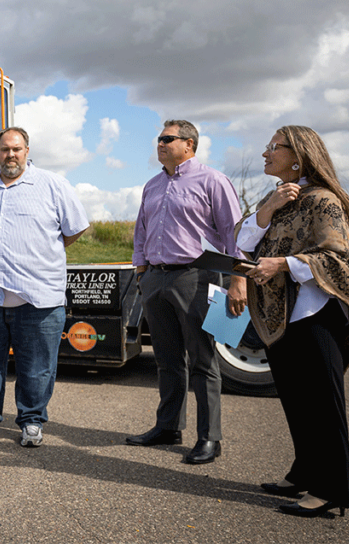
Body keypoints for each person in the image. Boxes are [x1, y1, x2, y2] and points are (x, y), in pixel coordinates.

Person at [238, 126, 349, 518]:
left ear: (298, 156)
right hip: (281, 316)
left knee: (322, 403)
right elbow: (242, 241)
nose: (265, 153)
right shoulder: (277, 197)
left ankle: (330, 489)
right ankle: (304, 473)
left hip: (315, 313)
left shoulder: (323, 201)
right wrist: (268, 208)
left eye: (272, 148)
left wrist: (283, 263)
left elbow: (336, 258)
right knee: (296, 399)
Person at [0, 126, 89, 447]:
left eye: (16, 149)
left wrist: (40, 254)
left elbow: (74, 229)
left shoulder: (53, 185)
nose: (10, 154)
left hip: (38, 299)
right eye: (4, 149)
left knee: (37, 366)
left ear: (27, 151)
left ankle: (31, 421)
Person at [126, 119, 247, 464]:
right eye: (159, 139)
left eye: (167, 139)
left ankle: (209, 438)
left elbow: (234, 236)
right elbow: (142, 230)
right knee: (166, 359)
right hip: (156, 278)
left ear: (189, 144)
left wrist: (239, 280)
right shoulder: (152, 185)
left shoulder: (212, 181)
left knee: (202, 359)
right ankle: (167, 427)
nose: (160, 144)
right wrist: (141, 270)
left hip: (196, 277)